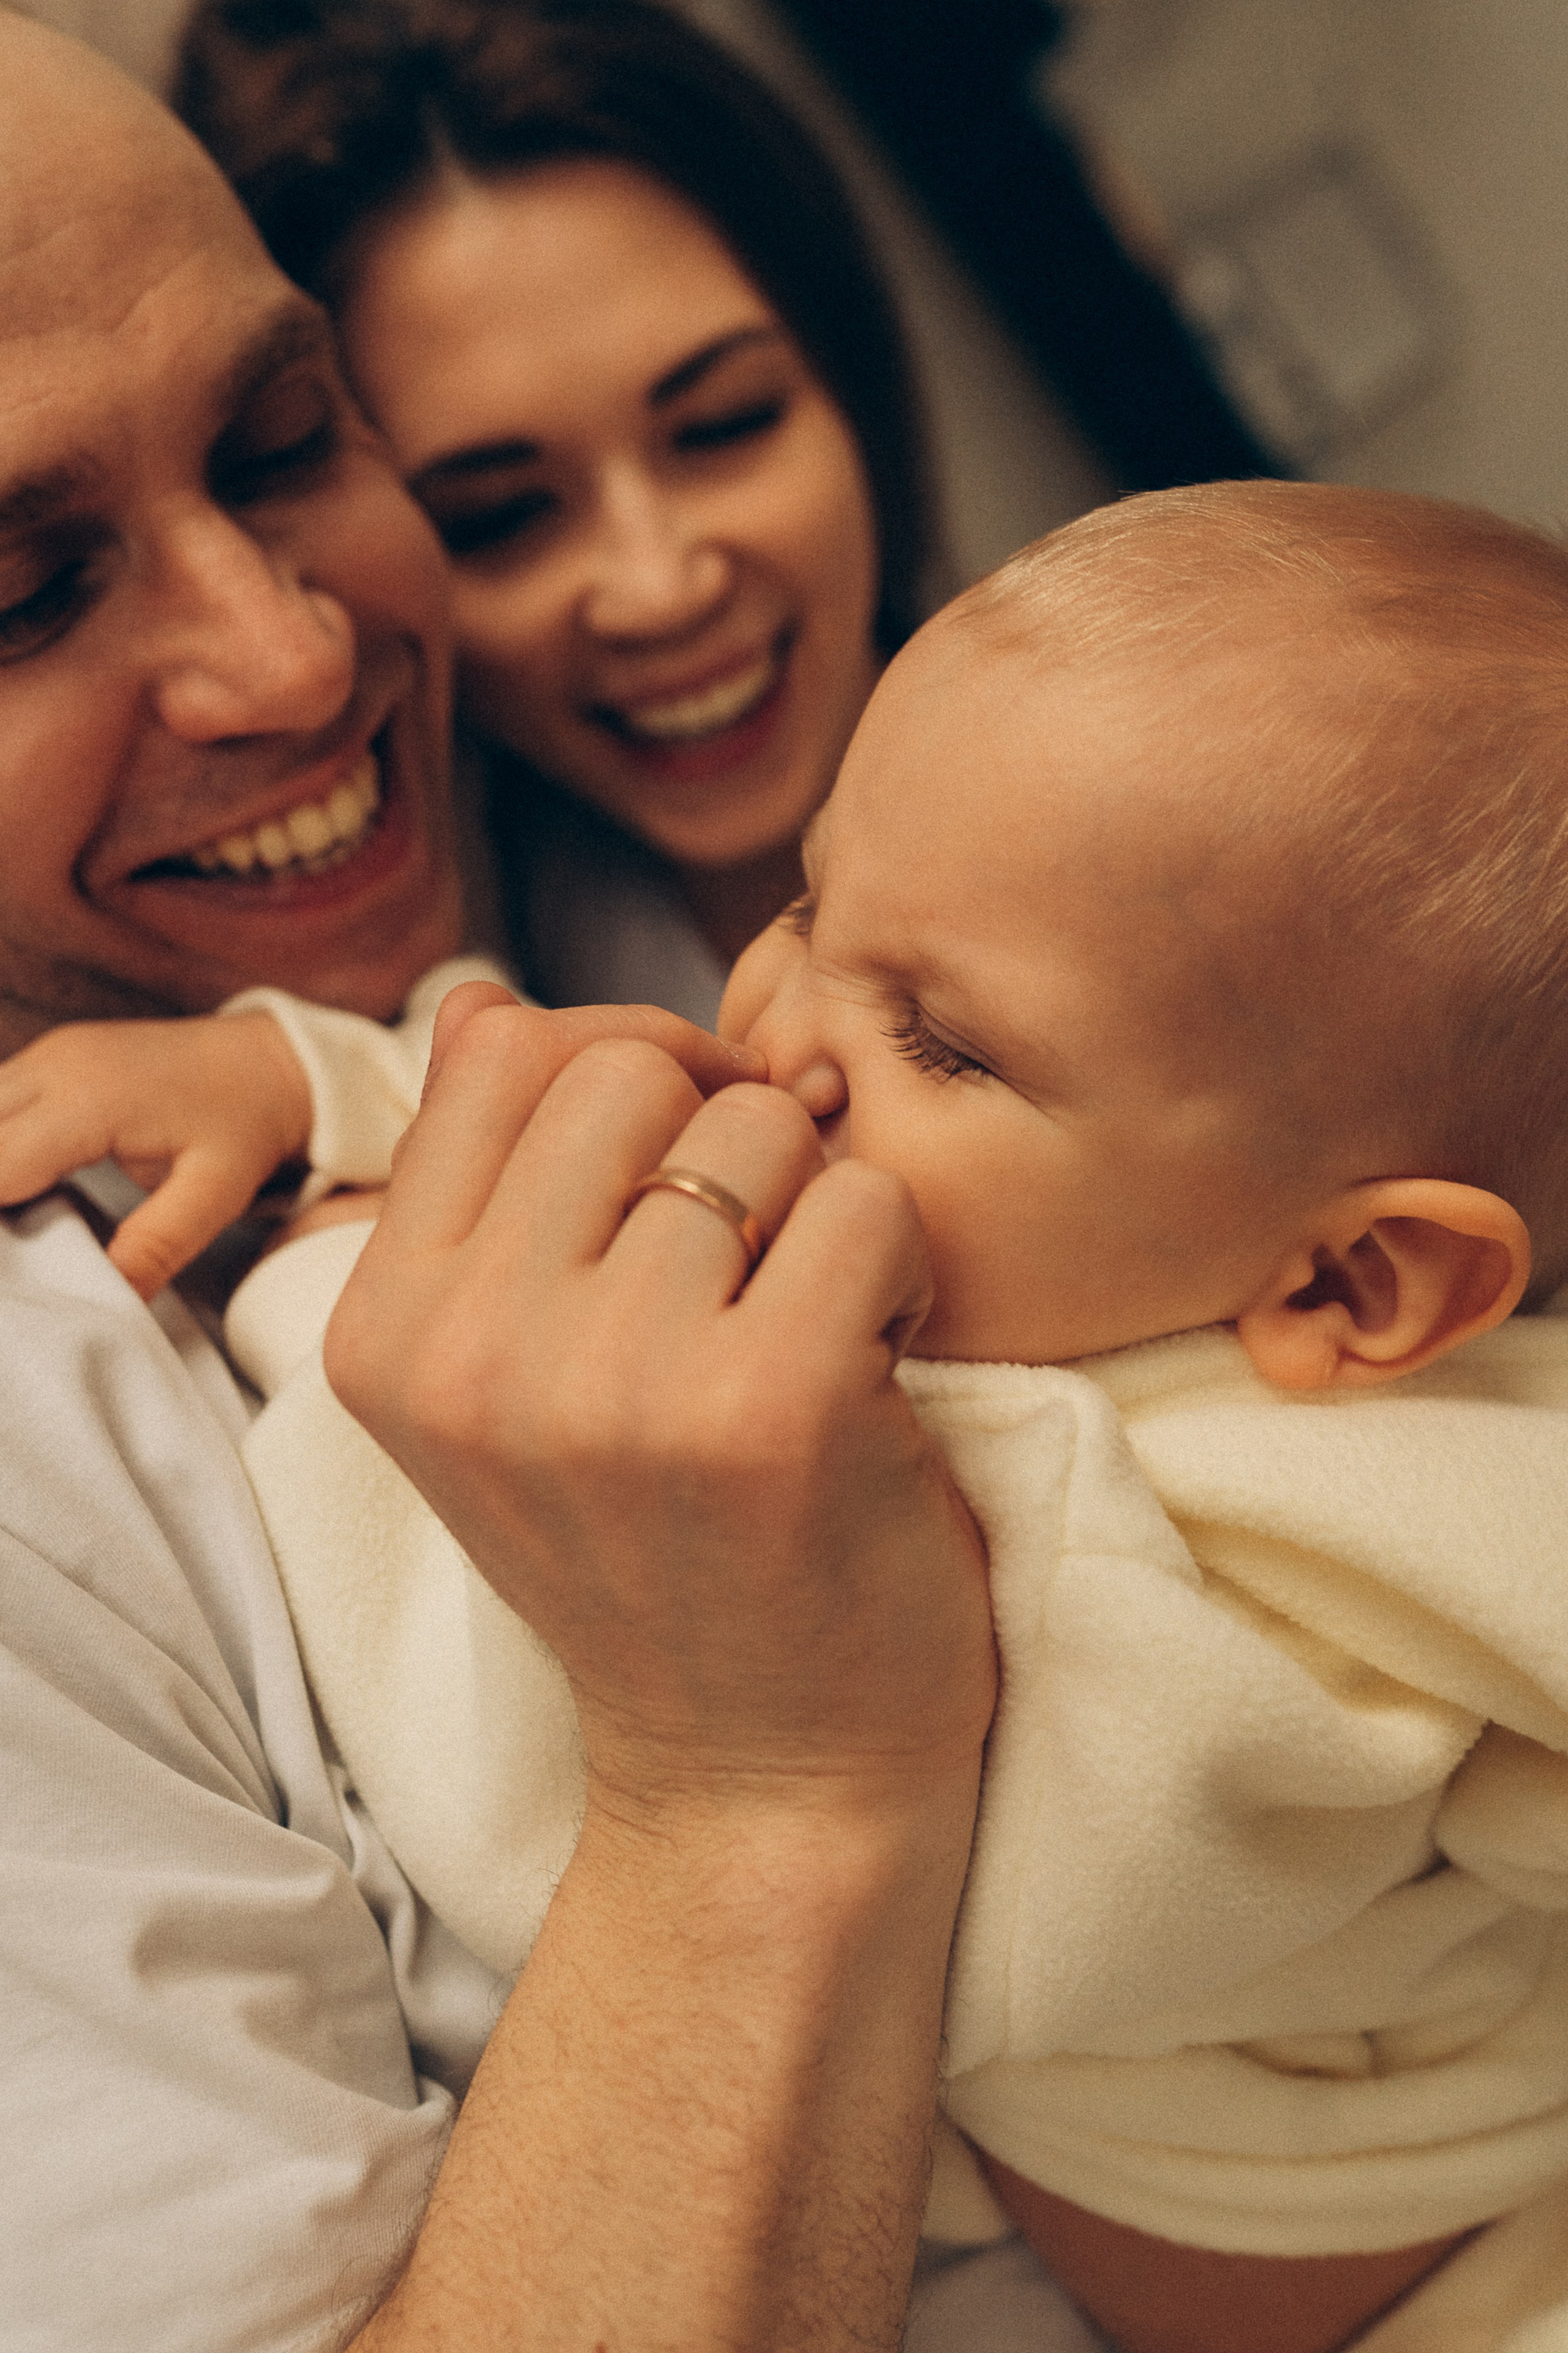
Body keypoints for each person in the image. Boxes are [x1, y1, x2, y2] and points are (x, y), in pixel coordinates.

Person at [22, 480, 1568, 2353]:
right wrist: (305, 1075)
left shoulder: (1179, 1561)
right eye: (814, 900)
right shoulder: (1045, 1229)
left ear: (1352, 1288)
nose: (773, 1022)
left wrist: (334, 1269)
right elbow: (569, 1071)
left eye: (947, 1041)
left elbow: (575, 1817)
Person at [0, 17, 1001, 2351]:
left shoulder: (532, 904)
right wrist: (761, 1786)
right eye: (15, 594)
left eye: (282, 444)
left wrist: (310, 1078)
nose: (294, 646)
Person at [173, 0, 937, 1025]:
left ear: (849, 388)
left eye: (723, 423)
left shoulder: (1148, 775)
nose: (660, 589)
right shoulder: (437, 1022)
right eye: (495, 516)